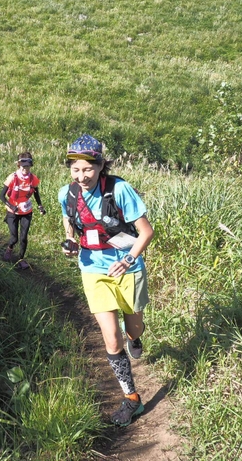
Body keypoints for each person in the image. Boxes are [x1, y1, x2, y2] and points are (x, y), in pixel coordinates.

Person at [58, 134, 154, 427]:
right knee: (110, 336)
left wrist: (127, 261)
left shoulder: (120, 190)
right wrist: (70, 240)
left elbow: (146, 232)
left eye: (87, 169)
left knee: (132, 325)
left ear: (100, 166)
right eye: (75, 170)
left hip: (128, 267)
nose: (82, 176)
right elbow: (68, 220)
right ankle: (131, 399)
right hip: (92, 269)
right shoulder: (67, 193)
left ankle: (135, 335)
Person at [0, 152, 46, 269]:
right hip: (12, 212)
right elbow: (1, 196)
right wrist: (11, 205)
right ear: (18, 166)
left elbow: (36, 194)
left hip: (26, 211)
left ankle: (21, 258)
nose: (25, 169)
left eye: (28, 167)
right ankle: (9, 249)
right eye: (23, 167)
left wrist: (40, 206)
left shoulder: (33, 178)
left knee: (24, 237)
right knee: (14, 238)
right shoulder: (12, 178)